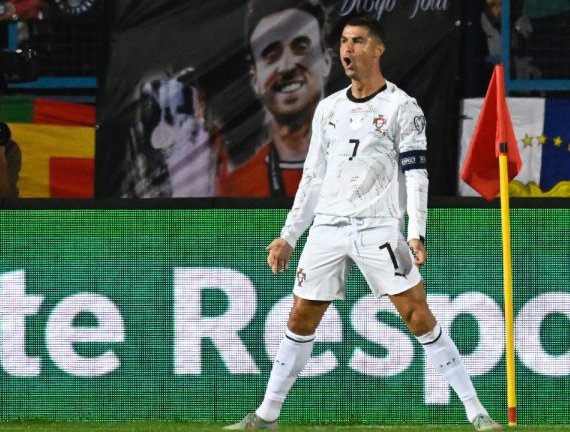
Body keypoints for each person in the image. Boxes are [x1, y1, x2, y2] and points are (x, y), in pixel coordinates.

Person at [225, 16, 501, 431]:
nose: (347, 50)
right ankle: (266, 416)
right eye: (343, 42)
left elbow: (417, 175)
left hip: (378, 226)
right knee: (300, 316)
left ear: (377, 49)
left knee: (417, 314)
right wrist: (288, 235)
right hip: (328, 227)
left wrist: (416, 232)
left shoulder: (402, 107)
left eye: (357, 41)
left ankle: (476, 411)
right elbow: (312, 178)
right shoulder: (328, 109)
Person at [215, 0, 332, 197]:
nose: (286, 66)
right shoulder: (237, 188)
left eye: (301, 46)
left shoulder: (368, 169)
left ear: (327, 61)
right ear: (255, 81)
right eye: (271, 53)